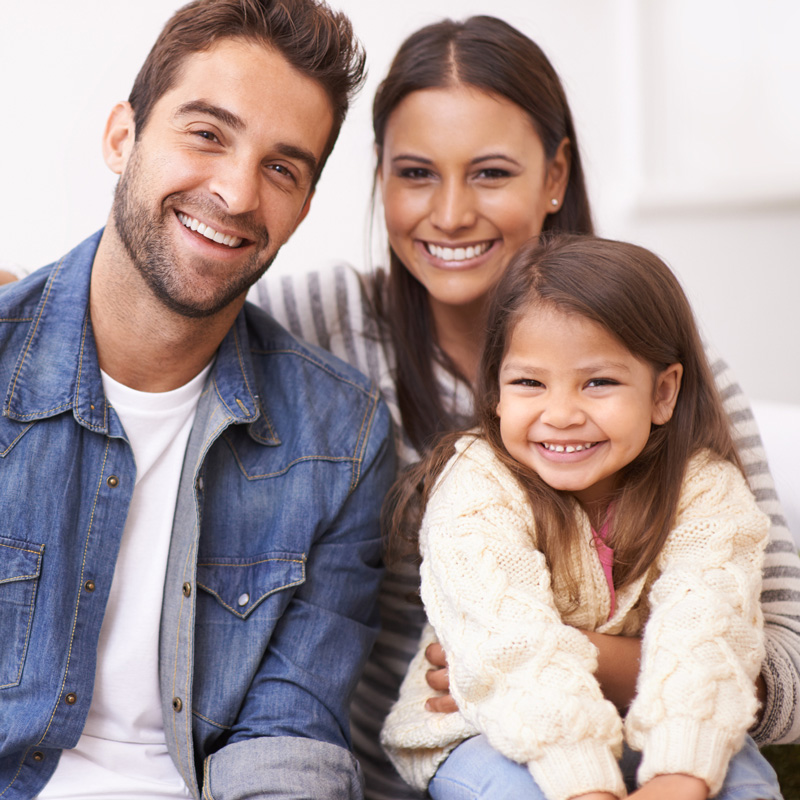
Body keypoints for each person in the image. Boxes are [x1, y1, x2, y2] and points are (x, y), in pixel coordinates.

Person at [255, 15, 800, 799]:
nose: (448, 213)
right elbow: (157, 309)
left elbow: (785, 665)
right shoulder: (325, 321)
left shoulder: (665, 375)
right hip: (433, 771)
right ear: (380, 176)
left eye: (490, 173)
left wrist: (572, 653)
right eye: (415, 173)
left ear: (554, 177)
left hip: (666, 747)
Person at [0, 1, 394, 799]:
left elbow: (289, 736)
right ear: (123, 137)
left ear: (304, 208)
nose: (237, 192)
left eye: (282, 167)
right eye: (208, 133)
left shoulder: (343, 438)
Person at [380, 234, 781, 800]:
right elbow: (515, 651)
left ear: (663, 393)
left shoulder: (705, 487)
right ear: (495, 391)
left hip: (652, 722)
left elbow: (707, 632)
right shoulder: (475, 482)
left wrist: (680, 773)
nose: (561, 414)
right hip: (484, 731)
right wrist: (583, 786)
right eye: (528, 383)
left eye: (599, 382)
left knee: (742, 784)